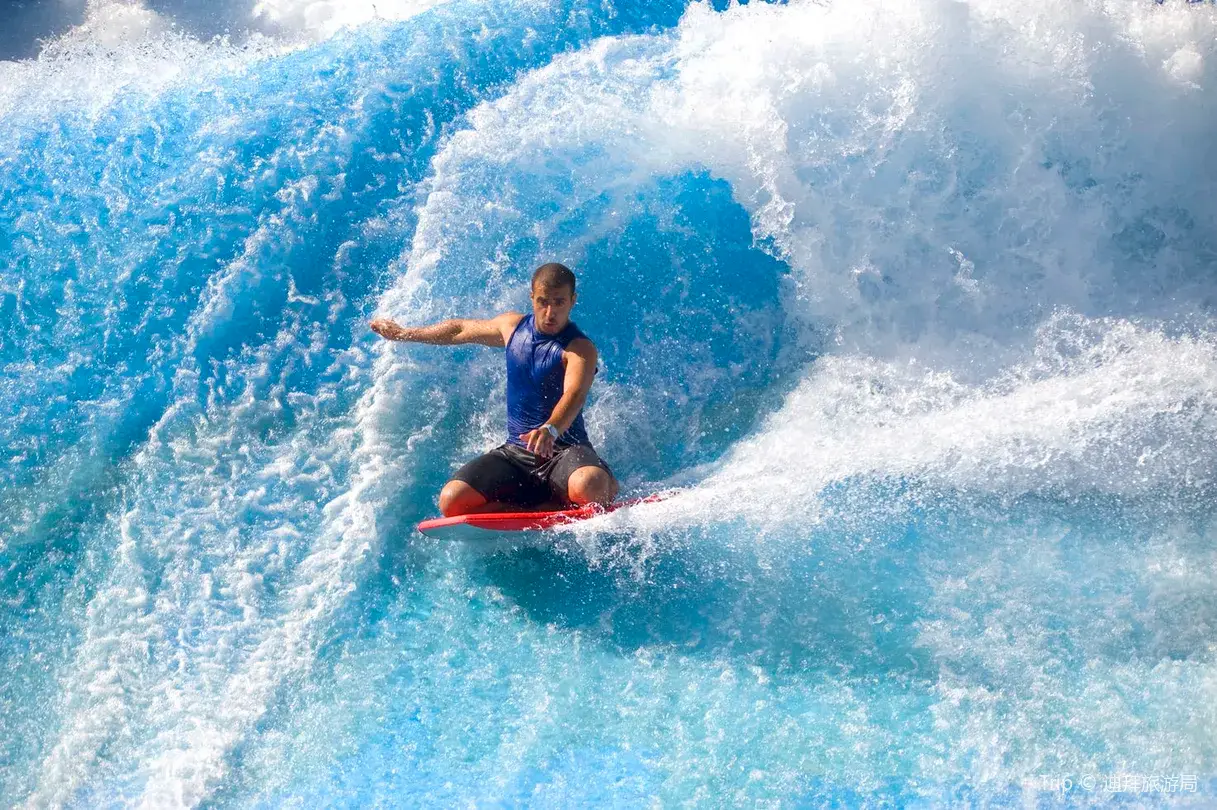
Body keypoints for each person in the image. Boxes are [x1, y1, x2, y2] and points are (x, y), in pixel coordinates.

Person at [370, 262, 619, 517]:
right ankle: (539, 505)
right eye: (543, 301)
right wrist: (405, 333)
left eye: (559, 302)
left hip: (565, 450)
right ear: (532, 297)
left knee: (591, 486)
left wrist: (551, 428)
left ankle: (604, 479)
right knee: (452, 500)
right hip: (517, 453)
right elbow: (460, 329)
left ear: (572, 301)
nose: (550, 312)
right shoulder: (512, 327)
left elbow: (575, 394)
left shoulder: (579, 348)